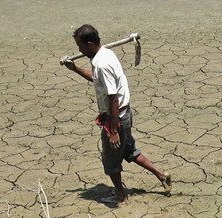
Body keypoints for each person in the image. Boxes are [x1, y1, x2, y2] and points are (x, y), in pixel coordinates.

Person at [63, 24, 171, 205]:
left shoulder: (102, 63)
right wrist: (74, 69)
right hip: (124, 114)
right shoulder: (104, 53)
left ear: (89, 44)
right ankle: (162, 175)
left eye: (80, 46)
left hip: (117, 117)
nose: (79, 50)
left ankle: (121, 195)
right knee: (129, 150)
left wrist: (113, 130)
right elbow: (97, 79)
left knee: (110, 160)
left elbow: (113, 98)